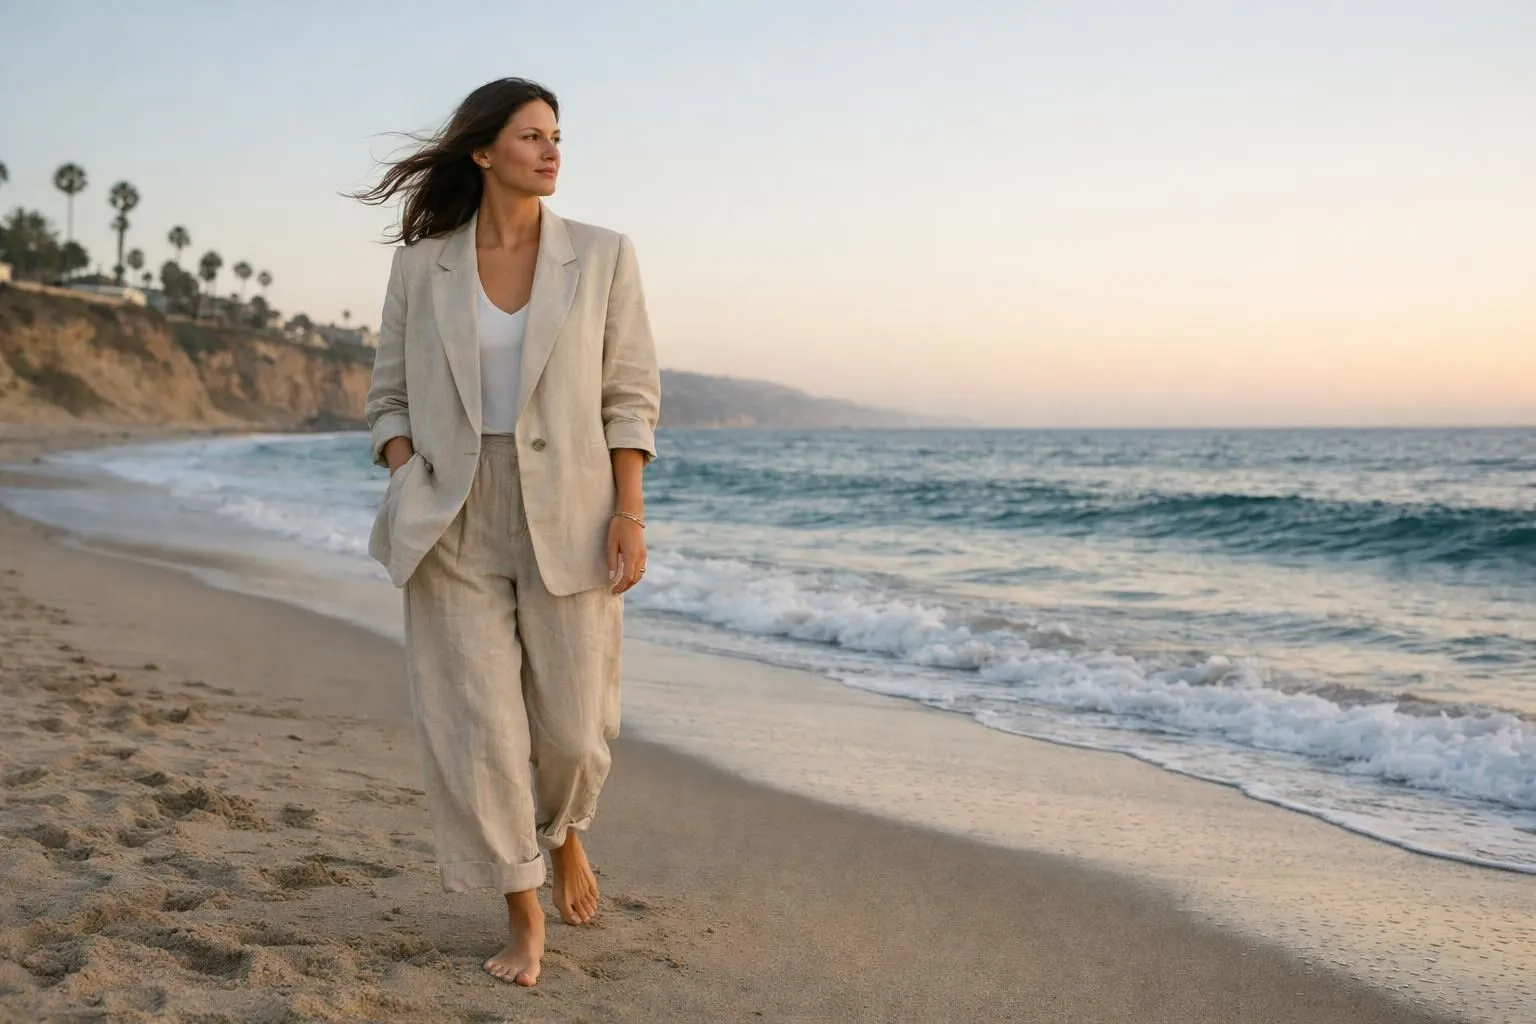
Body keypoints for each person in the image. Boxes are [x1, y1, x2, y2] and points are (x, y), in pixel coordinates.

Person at [353, 77, 661, 987]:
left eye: (557, 135)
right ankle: (522, 910)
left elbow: (629, 394)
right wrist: (408, 468)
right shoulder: (422, 265)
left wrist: (628, 511)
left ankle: (563, 833)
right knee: (476, 728)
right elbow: (386, 397)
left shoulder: (603, 256)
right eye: (532, 136)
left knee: (573, 731)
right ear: (484, 152)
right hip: (450, 512)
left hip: (568, 509)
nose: (552, 150)